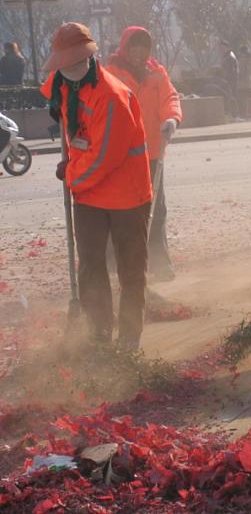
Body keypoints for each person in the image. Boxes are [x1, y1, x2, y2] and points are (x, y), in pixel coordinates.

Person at [40, 23, 152, 350]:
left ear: (89, 58)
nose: (68, 69)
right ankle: (99, 332)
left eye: (75, 62)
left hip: (126, 195)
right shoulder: (63, 81)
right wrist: (52, 100)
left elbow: (104, 157)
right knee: (90, 264)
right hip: (89, 195)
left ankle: (129, 337)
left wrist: (71, 173)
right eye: (63, 64)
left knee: (130, 269)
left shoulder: (113, 96)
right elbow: (51, 87)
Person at [106, 26, 183, 282]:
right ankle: (116, 263)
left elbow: (170, 98)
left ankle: (159, 262)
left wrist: (172, 119)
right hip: (122, 156)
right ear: (125, 48)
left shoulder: (157, 73)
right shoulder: (110, 74)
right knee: (121, 210)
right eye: (134, 48)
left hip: (152, 152)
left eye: (143, 48)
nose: (139, 54)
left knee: (156, 210)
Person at [219, 40, 239, 117]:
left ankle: (235, 115)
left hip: (231, 81)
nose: (220, 50)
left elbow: (233, 71)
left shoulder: (230, 56)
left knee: (232, 97)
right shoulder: (226, 56)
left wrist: (230, 80)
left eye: (222, 48)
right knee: (230, 97)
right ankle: (232, 114)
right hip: (227, 80)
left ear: (226, 47)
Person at [237, 45, 251, 118]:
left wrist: (239, 77)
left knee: (242, 99)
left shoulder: (243, 59)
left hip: (243, 83)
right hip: (250, 81)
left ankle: (244, 115)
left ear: (242, 52)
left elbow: (242, 71)